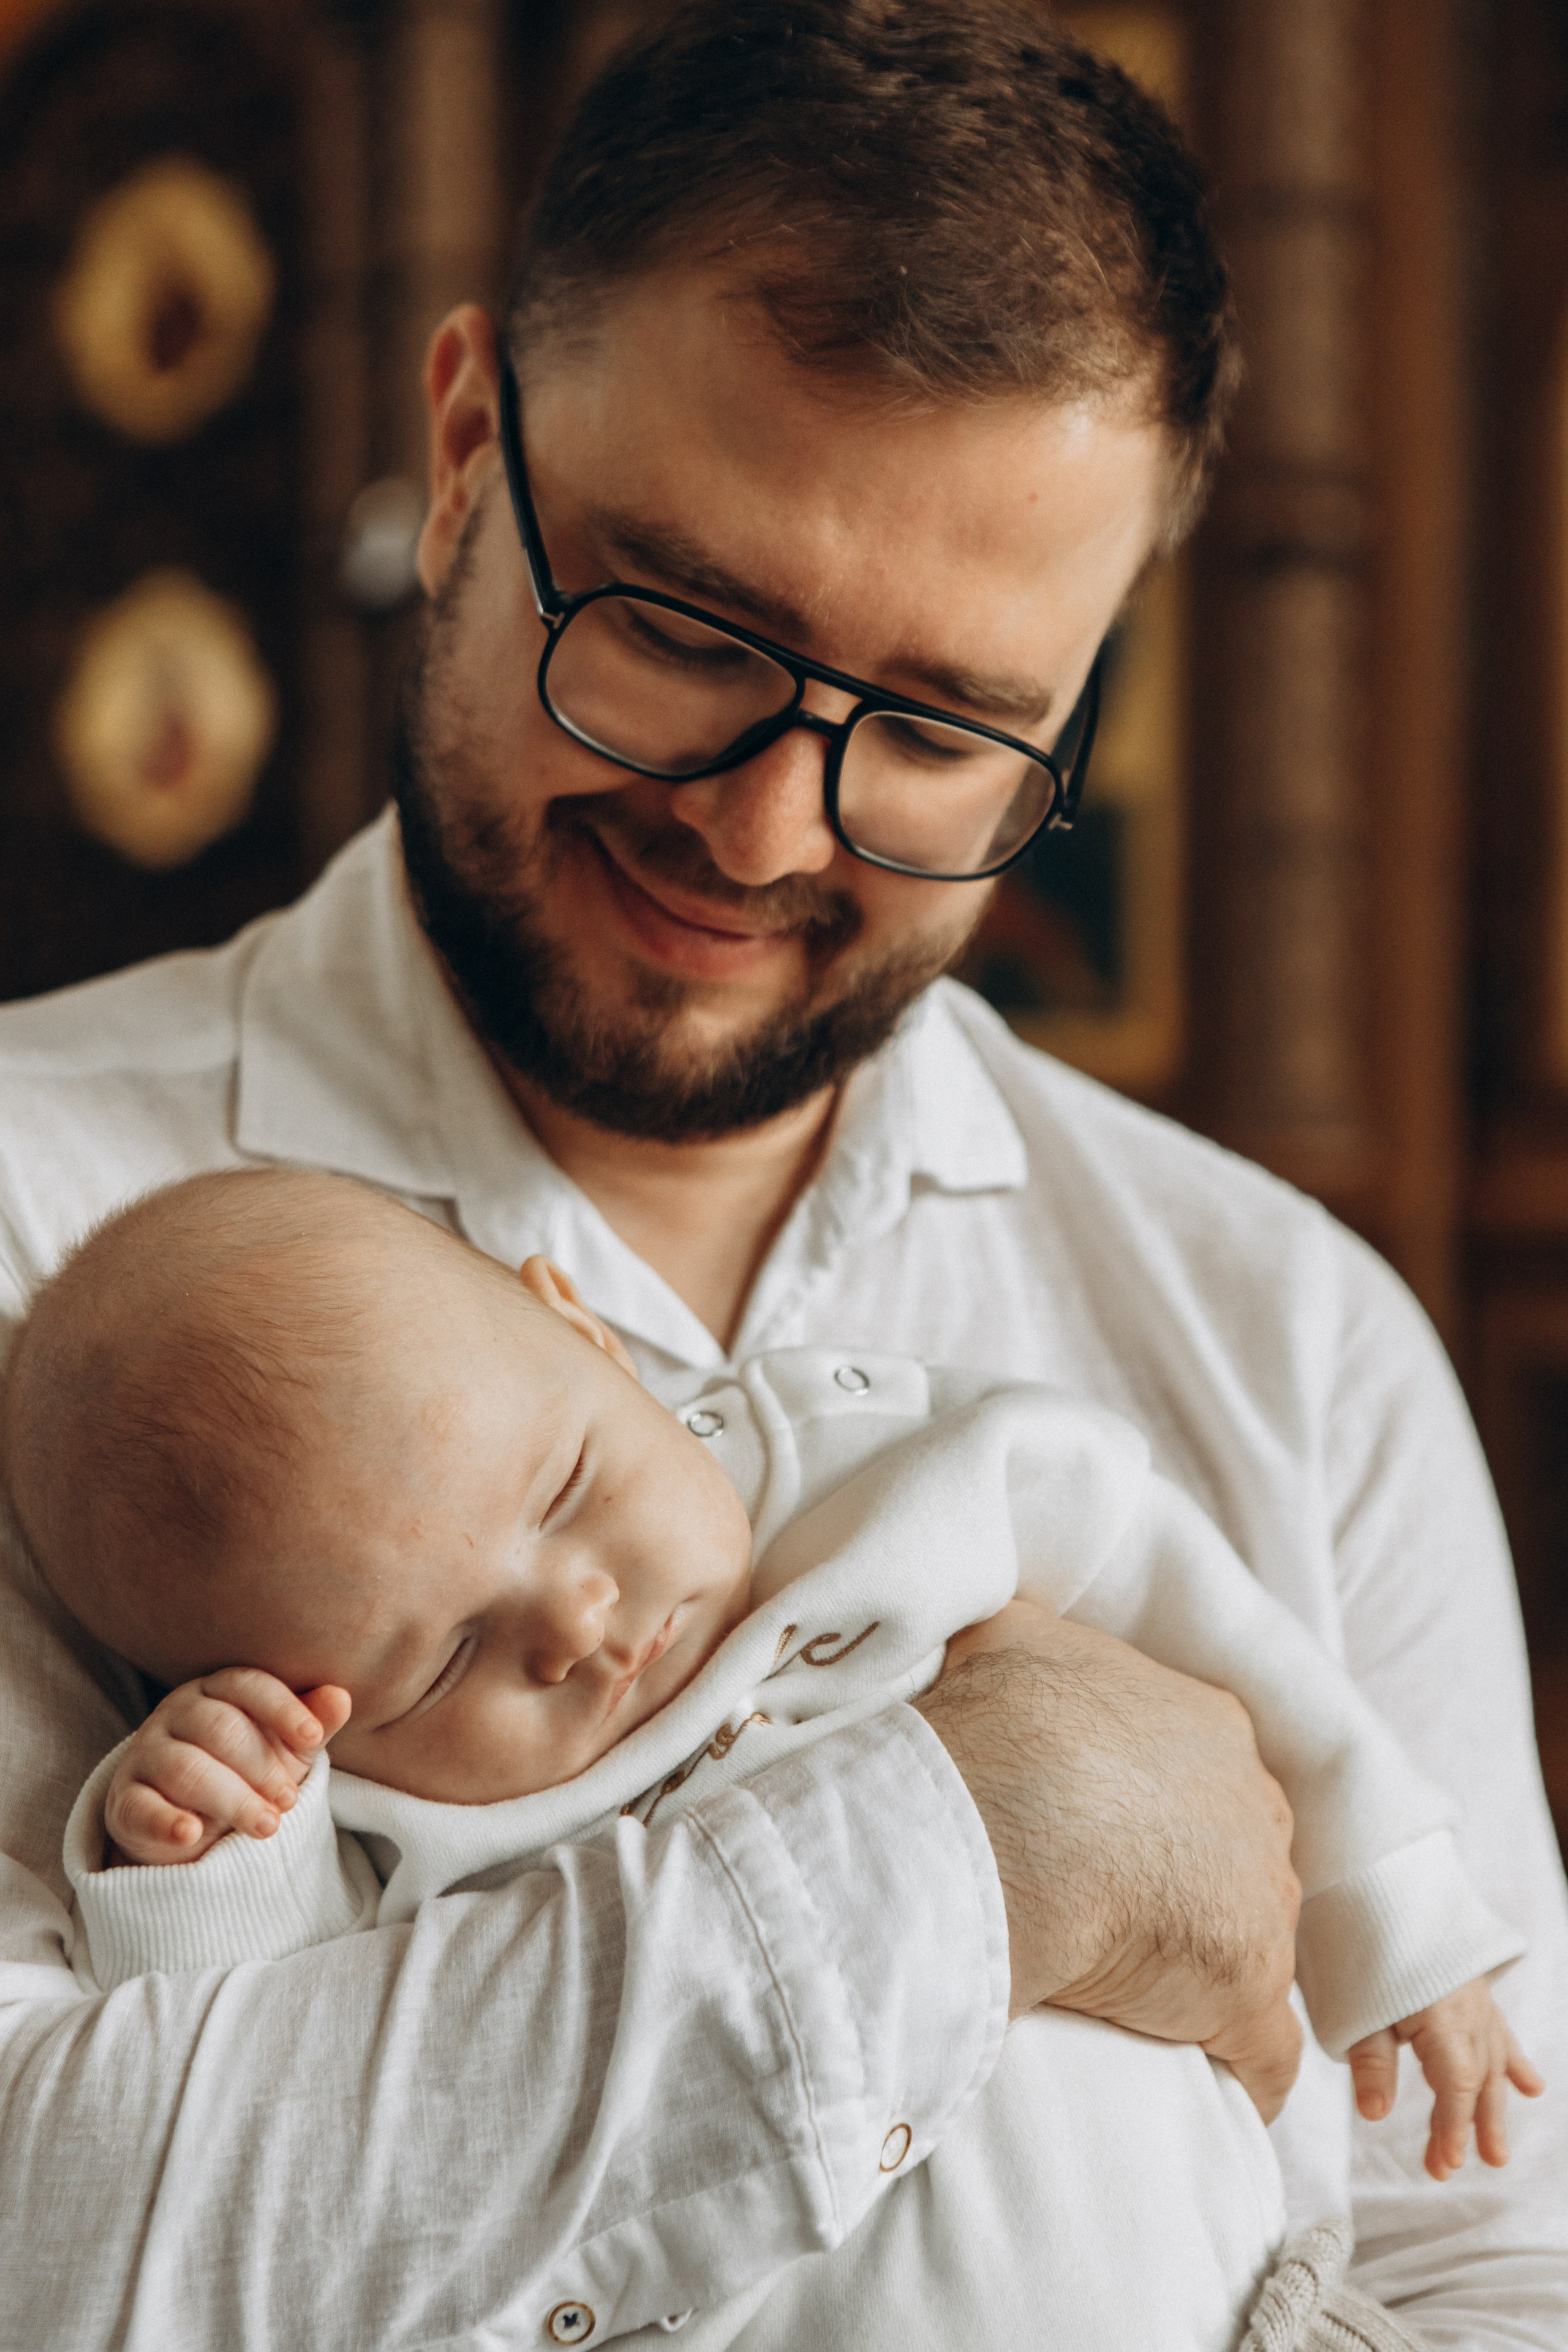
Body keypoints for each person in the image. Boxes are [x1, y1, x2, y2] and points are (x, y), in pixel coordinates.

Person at [0, 5, 1562, 2348]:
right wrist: (982, 1844)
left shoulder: (1292, 1346)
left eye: (937, 729)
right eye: (678, 626)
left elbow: (1487, 2265)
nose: (757, 830)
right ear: (463, 457)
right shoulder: (45, 1254)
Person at [4, 1165, 1532, 2209]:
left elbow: (1213, 1617)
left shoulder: (869, 1473)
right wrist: (216, 1847)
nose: (577, 1619)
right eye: (446, 1660)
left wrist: (1387, 1906)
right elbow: (242, 2107)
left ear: (585, 1332)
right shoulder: (393, 1830)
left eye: (568, 1487)